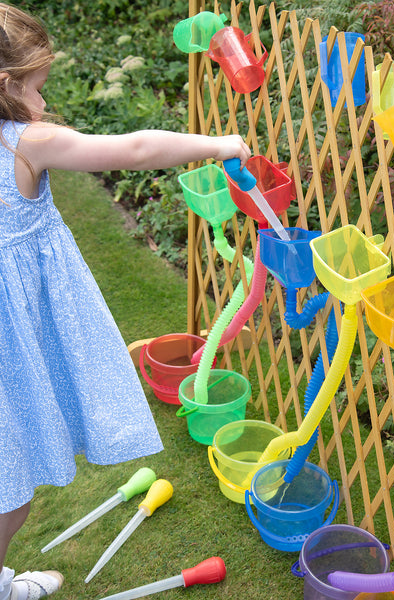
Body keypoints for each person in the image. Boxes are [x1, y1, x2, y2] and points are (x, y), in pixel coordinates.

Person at [0, 4, 251, 599]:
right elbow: (134, 149)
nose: (44, 99)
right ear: (6, 85)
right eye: (38, 86)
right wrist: (220, 144)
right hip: (15, 348)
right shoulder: (26, 144)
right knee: (12, 486)